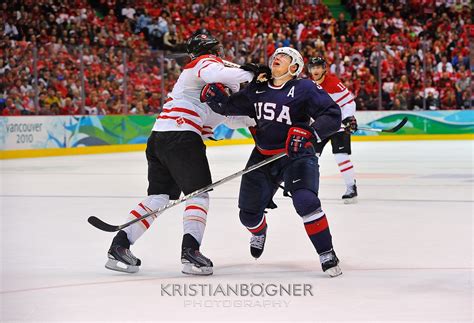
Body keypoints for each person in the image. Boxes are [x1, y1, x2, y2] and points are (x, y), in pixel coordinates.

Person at [105, 33, 268, 276]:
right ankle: (190, 253)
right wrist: (251, 74)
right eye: (217, 50)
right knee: (199, 195)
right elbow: (217, 73)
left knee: (158, 197)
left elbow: (232, 118)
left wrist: (266, 114)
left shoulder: (211, 86)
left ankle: (120, 245)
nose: (220, 55)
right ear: (209, 51)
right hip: (181, 137)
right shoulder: (201, 66)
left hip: (160, 138)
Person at [201, 47, 343, 277]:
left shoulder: (304, 87)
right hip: (263, 156)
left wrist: (309, 132)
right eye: (276, 55)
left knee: (306, 201)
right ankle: (260, 231)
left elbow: (332, 115)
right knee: (247, 216)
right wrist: (217, 100)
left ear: (294, 67)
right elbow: (232, 107)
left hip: (296, 155)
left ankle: (326, 252)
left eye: (284, 57)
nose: (277, 57)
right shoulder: (259, 88)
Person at [307, 57, 359, 203]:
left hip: (337, 125)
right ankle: (309, 189)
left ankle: (351, 187)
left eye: (318, 67)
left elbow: (349, 102)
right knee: (311, 157)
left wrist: (348, 118)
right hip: (320, 126)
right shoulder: (308, 85)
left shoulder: (334, 83)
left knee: (341, 155)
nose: (315, 70)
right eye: (313, 67)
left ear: (324, 69)